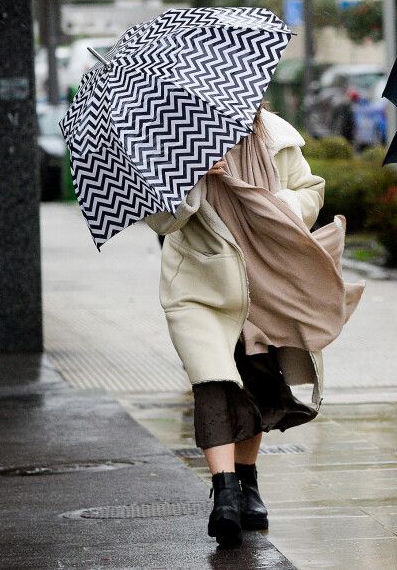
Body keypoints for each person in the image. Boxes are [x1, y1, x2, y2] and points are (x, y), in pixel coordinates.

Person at [146, 108, 362, 547]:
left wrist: (273, 201)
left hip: (263, 279)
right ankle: (224, 492)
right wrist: (191, 173)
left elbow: (311, 193)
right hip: (200, 286)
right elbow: (162, 223)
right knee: (213, 383)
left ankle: (248, 482)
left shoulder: (276, 135)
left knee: (256, 380)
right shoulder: (172, 134)